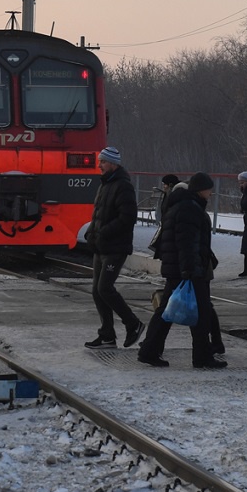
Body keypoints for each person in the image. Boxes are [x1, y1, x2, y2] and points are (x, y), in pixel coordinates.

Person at [138, 172, 227, 369]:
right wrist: (191, 270)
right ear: (200, 190)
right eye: (209, 189)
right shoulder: (190, 209)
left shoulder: (180, 205)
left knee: (166, 312)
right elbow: (187, 243)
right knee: (201, 313)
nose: (211, 193)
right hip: (188, 270)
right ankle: (202, 357)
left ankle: (149, 351)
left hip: (178, 268)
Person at [82, 146, 145, 349]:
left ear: (113, 163)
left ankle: (133, 324)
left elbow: (127, 218)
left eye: (103, 162)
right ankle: (107, 335)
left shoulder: (123, 186)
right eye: (100, 161)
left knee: (105, 288)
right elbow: (99, 214)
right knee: (96, 291)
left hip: (115, 247)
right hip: (101, 246)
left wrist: (103, 231)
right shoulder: (105, 184)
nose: (99, 165)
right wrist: (92, 231)